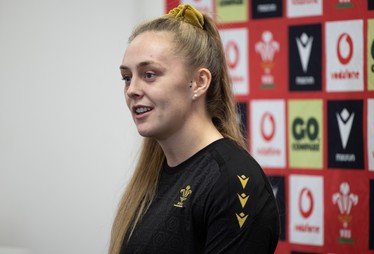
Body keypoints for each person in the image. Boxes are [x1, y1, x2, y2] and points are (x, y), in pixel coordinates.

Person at [110, 4, 280, 254]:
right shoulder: (151, 176)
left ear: (199, 82)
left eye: (149, 74)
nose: (132, 90)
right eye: (127, 77)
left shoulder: (233, 183)